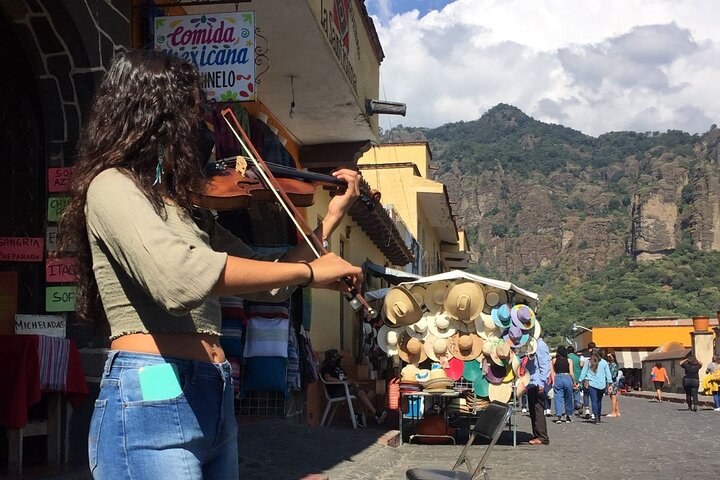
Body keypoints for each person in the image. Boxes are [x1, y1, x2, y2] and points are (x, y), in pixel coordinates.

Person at [59, 50, 364, 479]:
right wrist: (310, 272)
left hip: (213, 388)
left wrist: (330, 219)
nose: (201, 126)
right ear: (151, 115)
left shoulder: (188, 209)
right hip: (152, 387)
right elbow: (179, 279)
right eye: (190, 111)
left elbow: (263, 275)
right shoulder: (112, 186)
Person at [320, 349, 387, 426]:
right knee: (360, 392)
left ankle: (358, 413)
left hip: (347, 388)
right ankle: (376, 414)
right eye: (336, 358)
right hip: (337, 391)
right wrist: (343, 382)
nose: (338, 360)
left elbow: (346, 378)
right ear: (332, 359)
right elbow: (328, 379)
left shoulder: (339, 367)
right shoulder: (327, 367)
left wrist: (352, 382)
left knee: (371, 392)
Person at [526, 337, 551, 445]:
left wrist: (541, 383)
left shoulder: (540, 345)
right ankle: (537, 434)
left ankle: (542, 436)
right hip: (531, 382)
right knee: (533, 409)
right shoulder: (532, 344)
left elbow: (545, 364)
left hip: (537, 382)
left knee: (537, 409)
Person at [578, 351, 613, 424]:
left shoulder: (588, 362)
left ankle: (596, 417)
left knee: (594, 401)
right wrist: (610, 383)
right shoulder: (604, 362)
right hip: (601, 384)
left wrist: (580, 380)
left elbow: (584, 372)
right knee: (599, 401)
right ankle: (599, 416)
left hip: (591, 384)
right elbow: (608, 373)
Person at [552, 346, 576, 423]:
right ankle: (568, 415)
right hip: (567, 377)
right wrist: (574, 382)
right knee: (568, 397)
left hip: (558, 378)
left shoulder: (554, 360)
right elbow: (571, 373)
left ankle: (559, 416)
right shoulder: (569, 360)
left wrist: (553, 381)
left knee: (558, 397)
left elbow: (552, 372)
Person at [579, 342, 596, 418]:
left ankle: (587, 410)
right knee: (594, 395)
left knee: (586, 394)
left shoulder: (583, 354)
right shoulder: (596, 356)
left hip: (586, 377)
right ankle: (594, 412)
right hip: (595, 377)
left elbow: (581, 364)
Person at [567, 345, 583, 411]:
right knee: (576, 391)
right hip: (577, 376)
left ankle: (571, 408)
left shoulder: (566, 358)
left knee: (569, 393)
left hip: (568, 377)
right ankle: (577, 403)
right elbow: (581, 366)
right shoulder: (577, 358)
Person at [606, 353, 621, 417]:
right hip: (612, 382)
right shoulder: (610, 364)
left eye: (609, 356)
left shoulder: (613, 365)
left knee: (613, 397)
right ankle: (617, 411)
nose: (608, 357)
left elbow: (613, 374)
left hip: (612, 382)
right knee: (613, 397)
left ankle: (613, 412)